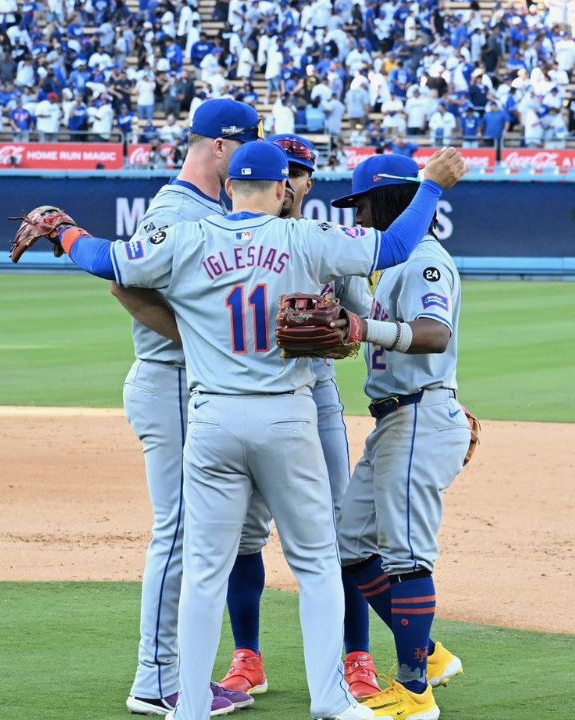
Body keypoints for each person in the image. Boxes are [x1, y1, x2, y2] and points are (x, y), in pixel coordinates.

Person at [11, 141, 468, 720]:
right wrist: (431, 186)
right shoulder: (306, 236)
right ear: (283, 191)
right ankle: (332, 699)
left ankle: (191, 706)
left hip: (212, 419)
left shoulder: (188, 238)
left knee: (204, 569)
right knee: (318, 563)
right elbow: (400, 244)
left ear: (229, 188)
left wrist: (66, 232)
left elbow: (108, 262)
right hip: (286, 415)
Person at [107, 99, 261, 718]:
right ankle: (157, 679)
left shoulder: (206, 208)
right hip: (170, 379)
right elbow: (124, 283)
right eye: (244, 149)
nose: (248, 162)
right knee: (178, 530)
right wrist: (201, 337)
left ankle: (175, 670)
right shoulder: (175, 209)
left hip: (186, 383)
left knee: (197, 530)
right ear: (218, 148)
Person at [217, 135, 382, 701]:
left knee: (341, 530)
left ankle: (357, 657)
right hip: (244, 397)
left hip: (316, 395)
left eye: (299, 172)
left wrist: (342, 323)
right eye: (282, 170)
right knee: (242, 533)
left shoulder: (325, 243)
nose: (289, 180)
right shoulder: (229, 236)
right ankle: (247, 658)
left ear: (306, 183)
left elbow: (364, 318)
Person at [332, 153, 471, 720]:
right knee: (349, 544)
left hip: (419, 414)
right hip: (395, 419)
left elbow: (434, 335)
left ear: (390, 198)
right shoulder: (392, 265)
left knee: (406, 557)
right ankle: (430, 656)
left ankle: (416, 694)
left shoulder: (426, 262)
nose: (358, 216)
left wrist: (366, 326)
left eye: (362, 204)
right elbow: (372, 318)